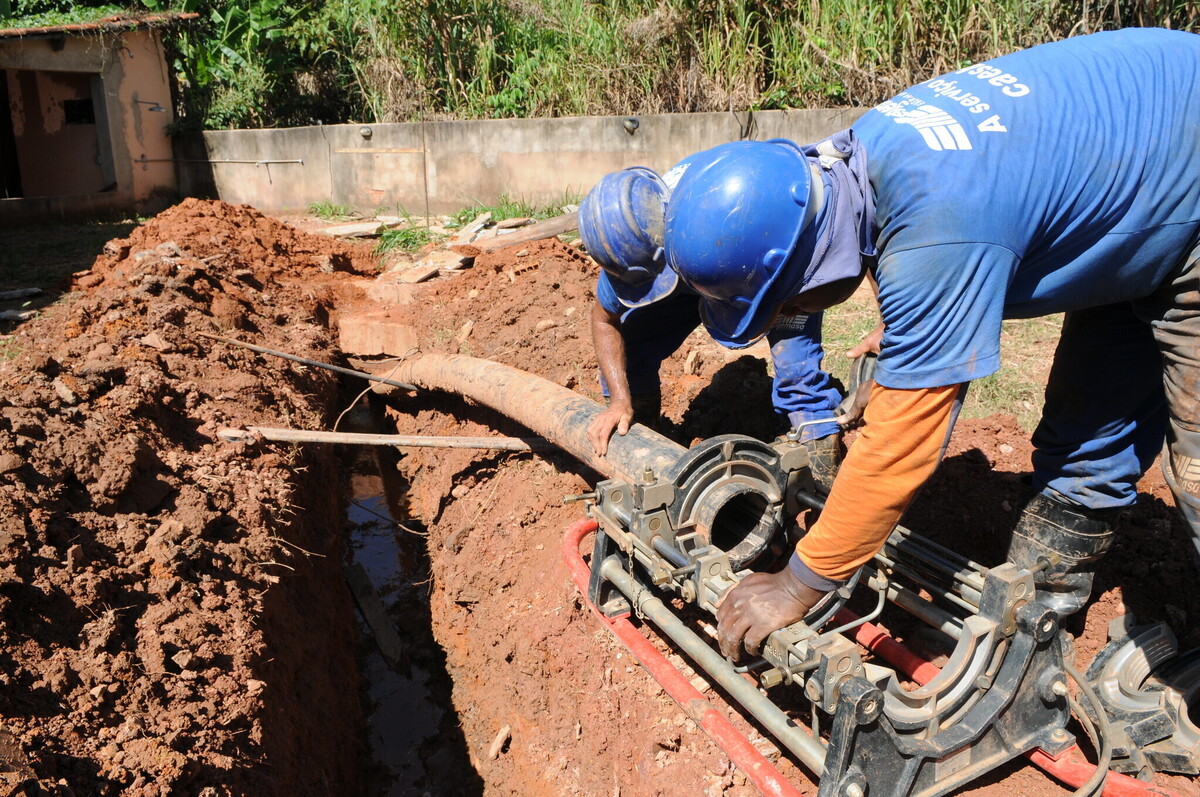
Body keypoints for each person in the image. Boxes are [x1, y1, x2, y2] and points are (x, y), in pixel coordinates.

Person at [658, 28, 1200, 661]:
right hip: (1147, 166)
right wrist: (906, 328)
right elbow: (977, 210)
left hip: (1178, 161)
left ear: (806, 266)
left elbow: (901, 449)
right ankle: (1044, 606)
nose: (795, 317)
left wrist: (797, 584)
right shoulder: (859, 155)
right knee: (1093, 409)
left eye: (790, 302)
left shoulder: (935, 232)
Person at [578, 161, 846, 489]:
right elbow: (604, 319)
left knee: (797, 363)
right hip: (680, 264)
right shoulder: (631, 238)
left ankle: (819, 473)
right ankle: (639, 445)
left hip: (751, 256)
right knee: (632, 341)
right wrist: (621, 398)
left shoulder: (730, 213)